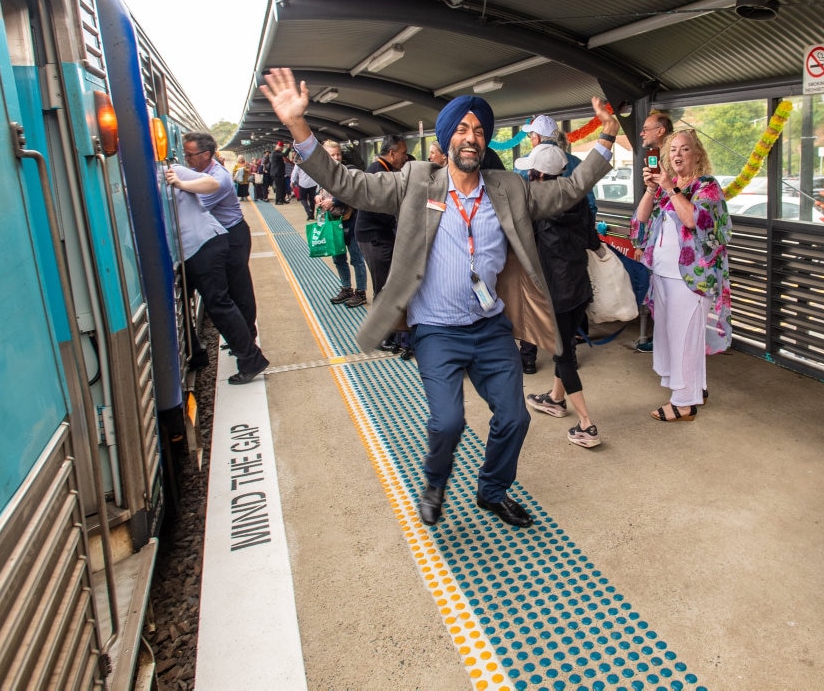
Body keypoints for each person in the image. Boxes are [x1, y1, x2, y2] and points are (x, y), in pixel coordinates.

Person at [261, 67, 619, 529]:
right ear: (449, 138)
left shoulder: (507, 189)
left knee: (514, 419)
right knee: (447, 423)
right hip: (436, 329)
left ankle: (492, 490)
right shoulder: (414, 181)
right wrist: (298, 127)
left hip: (490, 326)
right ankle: (436, 482)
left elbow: (566, 192)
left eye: (479, 131)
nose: (471, 137)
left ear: (486, 142)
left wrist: (607, 139)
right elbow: (348, 184)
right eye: (463, 129)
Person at [631, 129, 732, 422]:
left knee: (684, 339)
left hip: (690, 279)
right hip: (662, 274)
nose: (677, 154)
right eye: (673, 149)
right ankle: (694, 387)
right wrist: (652, 189)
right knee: (670, 337)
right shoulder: (668, 185)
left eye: (685, 149)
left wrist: (671, 190)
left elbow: (693, 220)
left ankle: (684, 403)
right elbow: (639, 222)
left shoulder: (707, 187)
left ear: (697, 154)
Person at [519, 144, 603, 448]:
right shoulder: (578, 200)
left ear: (539, 175)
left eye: (530, 171)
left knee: (563, 355)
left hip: (555, 293)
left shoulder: (536, 208)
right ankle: (555, 398)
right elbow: (591, 239)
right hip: (579, 288)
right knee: (565, 343)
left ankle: (586, 424)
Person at [164, 164, 270, 384]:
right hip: (192, 249)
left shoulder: (170, 170)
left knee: (219, 303)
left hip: (202, 244)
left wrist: (181, 183)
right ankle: (196, 353)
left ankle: (251, 358)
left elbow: (213, 183)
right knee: (193, 300)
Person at [183, 133, 258, 341]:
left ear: (206, 154)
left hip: (234, 235)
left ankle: (248, 335)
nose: (187, 159)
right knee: (231, 288)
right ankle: (242, 335)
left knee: (239, 287)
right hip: (223, 235)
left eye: (190, 155)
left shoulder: (219, 178)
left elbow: (196, 207)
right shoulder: (198, 173)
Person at [357, 135, 412, 355]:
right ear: (392, 153)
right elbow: (377, 207)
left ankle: (389, 333)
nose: (405, 157)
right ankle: (381, 335)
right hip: (375, 238)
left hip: (377, 236)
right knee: (384, 288)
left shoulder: (384, 170)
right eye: (403, 153)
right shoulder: (377, 172)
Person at [634, 110, 675, 352]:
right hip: (656, 243)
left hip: (673, 247)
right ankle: (662, 343)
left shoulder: (670, 165)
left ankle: (669, 346)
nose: (641, 133)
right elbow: (645, 214)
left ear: (660, 131)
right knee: (657, 298)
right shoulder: (654, 158)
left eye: (646, 128)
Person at [314, 140, 369, 308]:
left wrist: (334, 201)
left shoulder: (349, 171)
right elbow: (320, 189)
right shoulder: (323, 172)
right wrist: (318, 196)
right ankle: (346, 288)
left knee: (356, 258)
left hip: (351, 221)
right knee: (338, 258)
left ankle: (360, 292)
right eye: (332, 155)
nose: (336, 158)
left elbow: (353, 190)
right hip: (333, 221)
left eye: (338, 154)